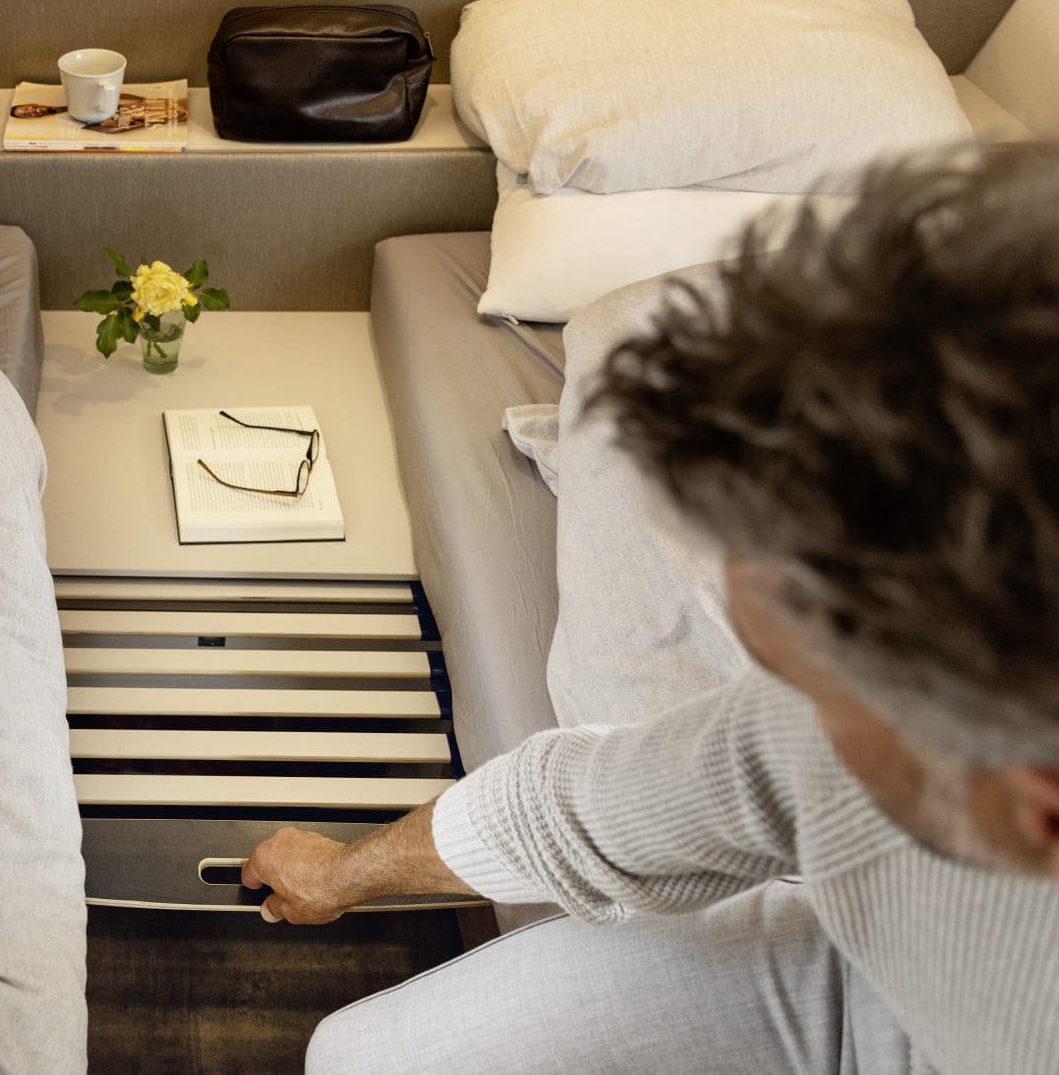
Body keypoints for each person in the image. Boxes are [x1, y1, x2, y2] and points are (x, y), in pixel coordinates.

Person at [243, 144, 1059, 1072]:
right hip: (859, 974)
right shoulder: (889, 708)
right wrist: (344, 872)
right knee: (357, 1056)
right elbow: (590, 811)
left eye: (819, 684)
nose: (786, 706)